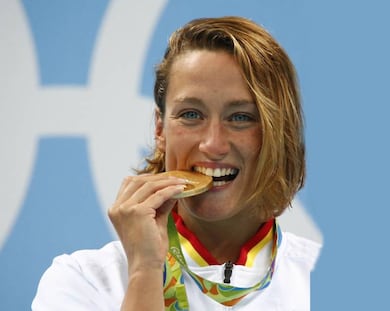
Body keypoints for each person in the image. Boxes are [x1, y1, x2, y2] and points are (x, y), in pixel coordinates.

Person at [32, 16, 321, 310]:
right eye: (191, 114)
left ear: (277, 132)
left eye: (240, 117)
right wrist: (144, 271)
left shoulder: (320, 280)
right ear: (160, 129)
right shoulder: (83, 281)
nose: (213, 144)